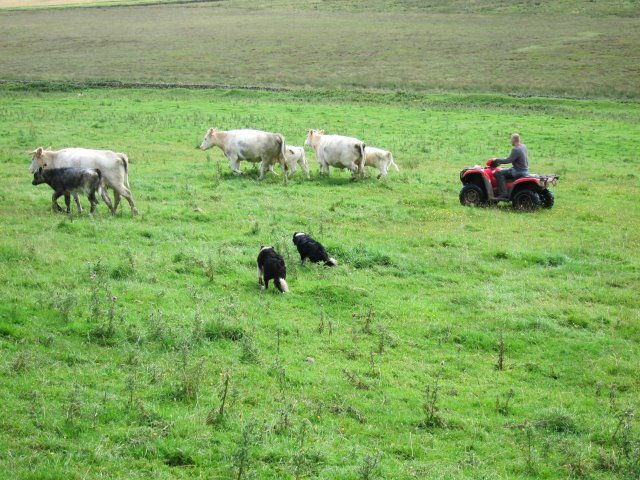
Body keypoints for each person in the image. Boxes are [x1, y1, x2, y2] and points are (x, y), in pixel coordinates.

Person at [491, 133, 529, 199]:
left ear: (514, 140)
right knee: (505, 170)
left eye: (511, 139)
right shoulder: (523, 146)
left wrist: (496, 160)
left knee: (499, 173)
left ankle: (504, 193)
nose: (510, 141)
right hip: (525, 170)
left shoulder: (516, 149)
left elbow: (507, 161)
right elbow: (515, 158)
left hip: (518, 171)